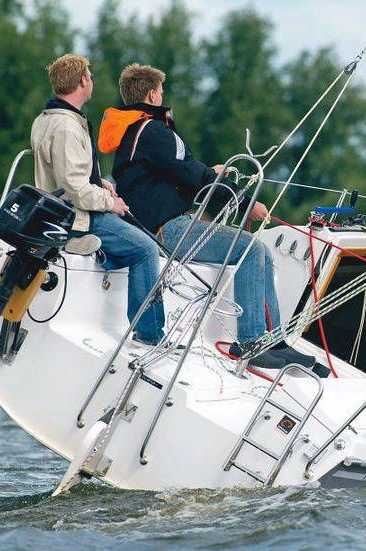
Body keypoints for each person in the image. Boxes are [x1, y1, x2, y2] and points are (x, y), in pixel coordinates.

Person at [99, 63, 315, 369]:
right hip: (168, 229)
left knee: (261, 252)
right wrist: (244, 202)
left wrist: (211, 174)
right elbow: (191, 174)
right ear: (151, 94)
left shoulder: (135, 132)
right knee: (251, 250)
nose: (163, 96)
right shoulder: (154, 130)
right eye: (161, 91)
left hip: (159, 225)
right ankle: (251, 342)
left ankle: (274, 341)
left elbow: (178, 175)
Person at [31, 54, 165, 345]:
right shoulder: (67, 126)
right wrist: (110, 203)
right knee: (146, 248)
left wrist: (99, 181)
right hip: (77, 217)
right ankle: (150, 334)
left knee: (134, 237)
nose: (92, 80)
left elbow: (68, 173)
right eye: (90, 76)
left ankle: (108, 255)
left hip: (61, 210)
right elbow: (75, 189)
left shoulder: (46, 119)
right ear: (82, 81)